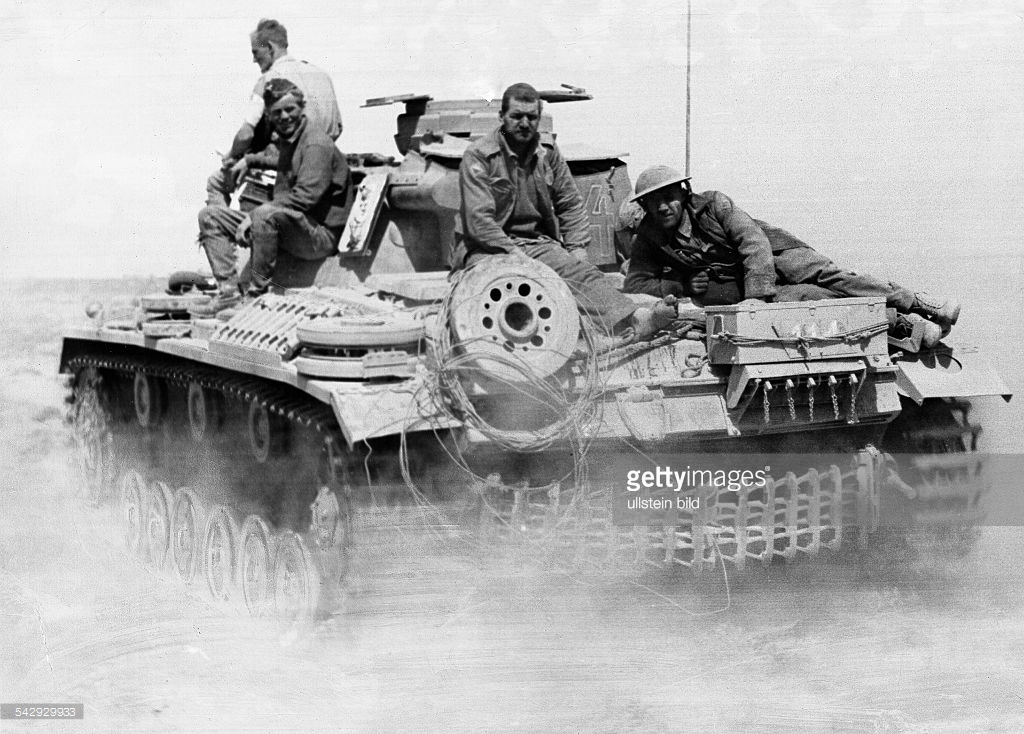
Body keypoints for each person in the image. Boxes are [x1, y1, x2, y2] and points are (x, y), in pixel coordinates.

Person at [623, 165, 960, 350]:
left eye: (668, 197)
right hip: (740, 283)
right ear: (645, 207)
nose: (663, 206)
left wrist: (756, 299)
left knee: (832, 277)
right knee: (812, 301)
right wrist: (678, 282)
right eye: (654, 202)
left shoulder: (713, 204)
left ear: (683, 194)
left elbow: (752, 242)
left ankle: (918, 303)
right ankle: (903, 325)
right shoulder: (650, 237)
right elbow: (634, 281)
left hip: (776, 254)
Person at [455, 82, 674, 339]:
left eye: (531, 117)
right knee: (498, 288)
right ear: (501, 117)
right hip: (485, 248)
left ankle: (639, 319)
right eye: (516, 116)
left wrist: (577, 250)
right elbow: (479, 221)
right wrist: (519, 259)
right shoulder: (479, 156)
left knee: (583, 274)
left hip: (536, 244)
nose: (524, 123)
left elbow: (569, 203)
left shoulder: (546, 152)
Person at [195, 79, 350, 311]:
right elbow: (285, 163)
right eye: (277, 112)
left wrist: (254, 215)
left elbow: (305, 196)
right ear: (268, 114)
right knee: (210, 216)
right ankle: (228, 292)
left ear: (302, 107)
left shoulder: (316, 143)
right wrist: (250, 160)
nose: (285, 116)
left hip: (319, 237)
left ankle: (257, 294)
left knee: (265, 215)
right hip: (295, 227)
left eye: (290, 109)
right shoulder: (292, 139)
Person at [206, 18, 343, 206]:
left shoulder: (268, 81)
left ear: (269, 47)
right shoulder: (322, 76)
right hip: (323, 159)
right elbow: (338, 127)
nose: (254, 59)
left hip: (282, 161)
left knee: (216, 182)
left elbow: (246, 134)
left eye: (256, 52)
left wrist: (230, 156)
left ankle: (225, 232)